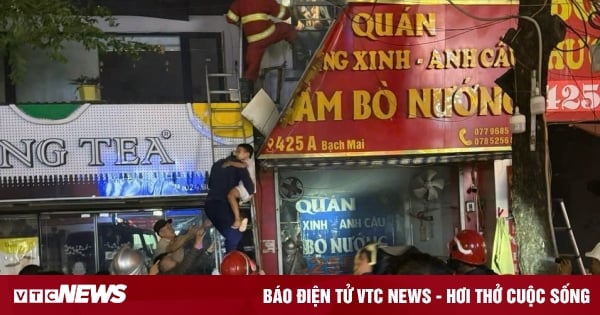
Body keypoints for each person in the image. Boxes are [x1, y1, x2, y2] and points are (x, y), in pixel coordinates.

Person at [226, 0, 297, 102]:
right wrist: (290, 11)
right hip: (268, 33)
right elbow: (283, 14)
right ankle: (299, 51)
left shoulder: (239, 2)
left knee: (252, 67)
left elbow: (230, 19)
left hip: (254, 41)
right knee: (287, 29)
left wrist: (240, 22)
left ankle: (245, 96)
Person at [205, 151, 255, 253]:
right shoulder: (240, 166)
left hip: (210, 204)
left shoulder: (217, 164)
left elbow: (210, 184)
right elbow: (249, 187)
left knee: (237, 236)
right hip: (221, 204)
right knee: (235, 235)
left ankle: (238, 261)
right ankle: (232, 264)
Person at [223, 143, 256, 231]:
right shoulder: (250, 162)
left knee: (231, 195)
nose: (236, 153)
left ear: (247, 154)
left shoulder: (248, 161)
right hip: (247, 189)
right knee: (232, 201)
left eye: (239, 151)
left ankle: (238, 219)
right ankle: (241, 218)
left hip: (246, 187)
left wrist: (230, 163)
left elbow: (243, 165)